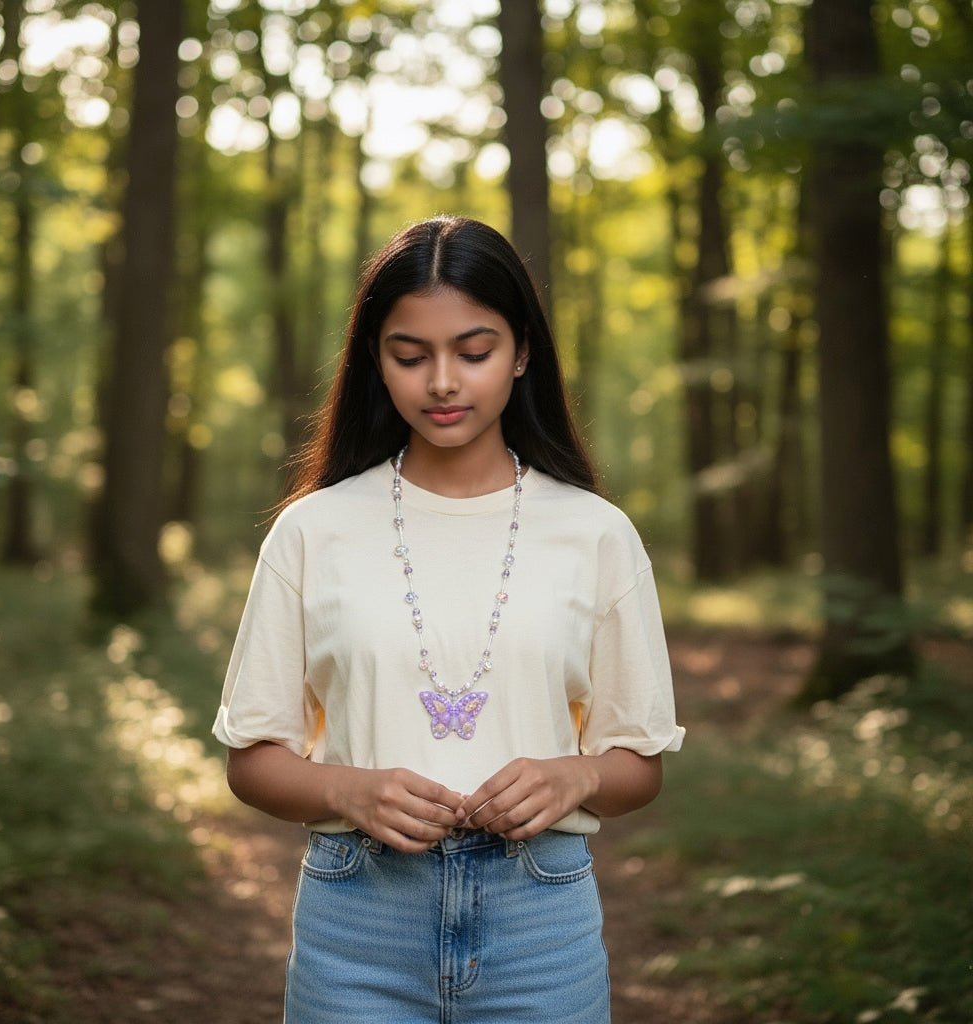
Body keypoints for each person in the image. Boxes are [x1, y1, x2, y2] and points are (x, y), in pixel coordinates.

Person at [213, 215, 684, 1023]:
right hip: (356, 919)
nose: (442, 382)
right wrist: (348, 790)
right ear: (376, 360)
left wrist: (577, 774)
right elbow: (252, 759)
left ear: (522, 352)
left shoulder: (596, 532)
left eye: (474, 352)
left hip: (542, 923)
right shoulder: (312, 530)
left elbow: (639, 763)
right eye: (410, 355)